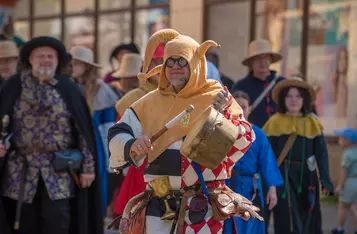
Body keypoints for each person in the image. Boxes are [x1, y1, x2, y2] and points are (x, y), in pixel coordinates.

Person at [108, 28, 261, 234]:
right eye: (170, 61)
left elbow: (246, 138)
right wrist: (131, 144)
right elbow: (118, 132)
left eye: (182, 61)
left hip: (202, 205)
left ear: (195, 64)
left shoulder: (218, 96)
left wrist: (220, 117)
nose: (175, 67)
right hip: (158, 206)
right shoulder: (149, 102)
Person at [0, 36, 103, 234]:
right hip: (20, 168)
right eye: (41, 56)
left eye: (50, 56)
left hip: (60, 169)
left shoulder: (69, 89)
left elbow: (82, 131)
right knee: (23, 221)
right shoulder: (13, 86)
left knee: (58, 220)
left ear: (57, 60)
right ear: (30, 59)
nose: (46, 60)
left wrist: (88, 169)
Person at [263, 75, 334, 234]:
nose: (293, 100)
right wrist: (269, 182)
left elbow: (321, 154)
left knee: (308, 215)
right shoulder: (274, 122)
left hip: (308, 176)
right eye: (289, 96)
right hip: (283, 176)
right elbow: (268, 156)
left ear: (304, 99)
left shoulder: (312, 122)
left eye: (298, 96)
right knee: (287, 216)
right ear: (283, 99)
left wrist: (325, 181)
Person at [111, 43, 165, 226]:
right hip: (142, 168)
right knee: (139, 221)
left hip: (174, 170)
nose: (158, 68)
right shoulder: (133, 98)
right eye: (154, 63)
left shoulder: (183, 98)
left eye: (163, 63)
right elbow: (120, 133)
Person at [223, 91, 283, 234]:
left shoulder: (258, 134)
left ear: (249, 109)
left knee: (251, 225)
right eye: (235, 106)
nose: (239, 110)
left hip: (251, 188)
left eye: (243, 107)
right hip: (227, 186)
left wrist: (272, 189)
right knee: (228, 225)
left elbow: (267, 161)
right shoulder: (222, 131)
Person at [70, 45, 118, 216]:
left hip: (94, 143)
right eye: (71, 63)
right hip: (70, 142)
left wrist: (111, 158)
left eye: (77, 63)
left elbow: (108, 127)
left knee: (96, 184)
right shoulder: (65, 86)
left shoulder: (100, 89)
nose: (73, 67)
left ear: (87, 66)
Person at [231, 39, 285, 128]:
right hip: (253, 136)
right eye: (258, 58)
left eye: (266, 58)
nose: (262, 62)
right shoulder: (240, 87)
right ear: (251, 62)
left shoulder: (282, 84)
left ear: (270, 60)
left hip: (279, 136)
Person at [331, 128, 357, 234]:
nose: (339, 140)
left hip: (349, 182)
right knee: (354, 205)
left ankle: (340, 229)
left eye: (341, 138)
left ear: (347, 140)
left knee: (343, 206)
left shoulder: (347, 154)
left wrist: (339, 186)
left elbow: (344, 172)